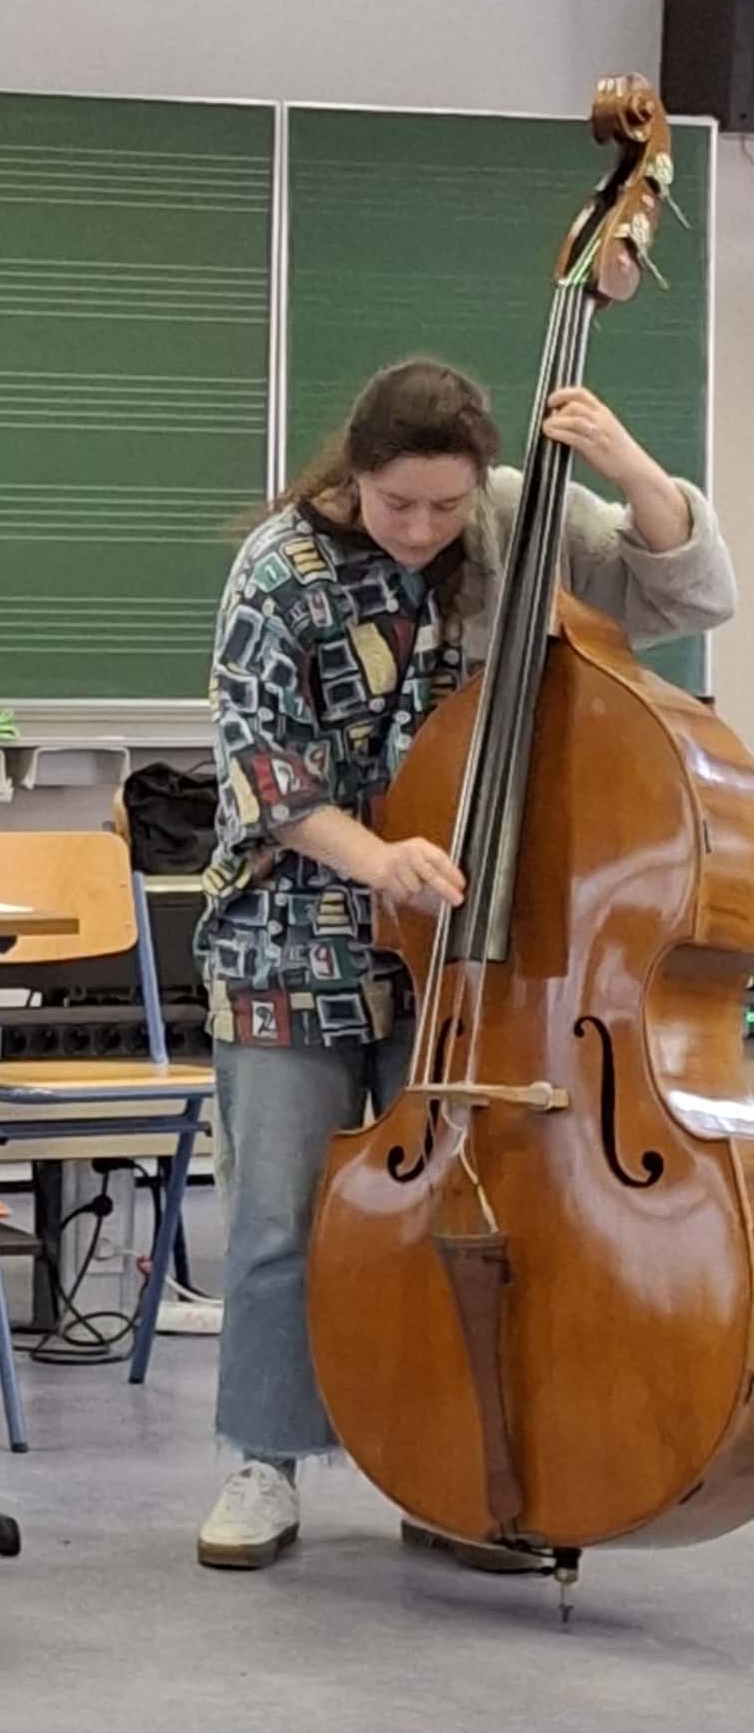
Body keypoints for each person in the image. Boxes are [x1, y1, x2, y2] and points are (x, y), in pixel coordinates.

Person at [194, 357, 737, 1572]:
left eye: (445, 507)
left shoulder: (510, 514)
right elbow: (265, 779)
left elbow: (685, 594)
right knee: (286, 1213)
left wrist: (629, 465)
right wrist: (374, 856)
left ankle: (447, 1472)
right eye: (401, 507)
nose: (427, 530)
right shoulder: (277, 571)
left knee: (461, 1207)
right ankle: (261, 1462)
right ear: (356, 474)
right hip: (294, 934)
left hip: (462, 951)